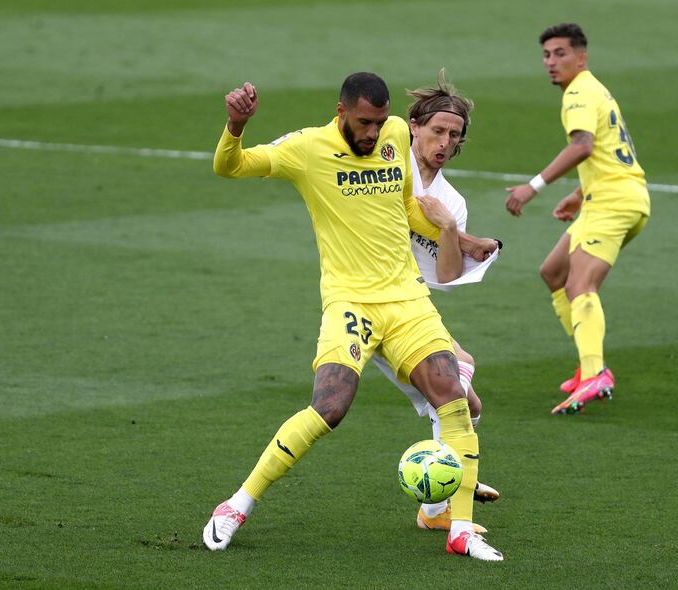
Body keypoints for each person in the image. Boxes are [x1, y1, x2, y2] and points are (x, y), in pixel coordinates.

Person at [202, 72, 503, 561]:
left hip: (407, 300)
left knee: (456, 398)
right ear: (341, 111)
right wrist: (236, 126)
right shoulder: (305, 148)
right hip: (350, 302)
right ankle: (236, 505)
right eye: (365, 122)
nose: (373, 133)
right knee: (330, 408)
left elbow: (404, 202)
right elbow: (229, 167)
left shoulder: (392, 138)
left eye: (380, 122)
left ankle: (460, 528)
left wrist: (461, 238)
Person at [371, 72, 500, 535]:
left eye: (454, 136)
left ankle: (437, 498)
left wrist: (450, 229)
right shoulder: (385, 162)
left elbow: (446, 277)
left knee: (470, 403)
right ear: (413, 127)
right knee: (459, 380)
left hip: (413, 307)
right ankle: (447, 482)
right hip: (370, 301)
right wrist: (470, 240)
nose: (445, 142)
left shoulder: (451, 201)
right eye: (437, 131)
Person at [504, 23, 651, 415]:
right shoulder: (594, 89)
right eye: (547, 55)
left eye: (560, 54)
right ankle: (589, 363)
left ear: (581, 57)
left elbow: (583, 146)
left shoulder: (579, 93)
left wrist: (532, 186)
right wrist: (576, 195)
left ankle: (595, 373)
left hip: (613, 202)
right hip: (611, 196)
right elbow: (608, 150)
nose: (551, 62)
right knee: (553, 272)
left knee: (580, 284)